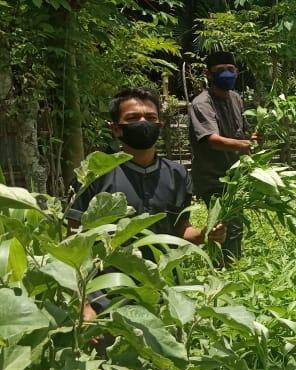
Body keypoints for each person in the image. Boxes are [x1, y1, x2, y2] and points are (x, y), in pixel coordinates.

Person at [69, 87, 225, 320]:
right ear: (116, 128)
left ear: (160, 125)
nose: (143, 123)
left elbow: (179, 229)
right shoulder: (94, 175)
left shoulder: (177, 174)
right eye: (133, 118)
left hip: (162, 291)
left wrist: (205, 234)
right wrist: (84, 304)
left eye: (151, 118)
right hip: (105, 296)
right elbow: (73, 243)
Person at [188, 51, 252, 261]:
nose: (227, 74)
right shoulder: (201, 103)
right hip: (212, 177)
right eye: (220, 70)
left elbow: (242, 132)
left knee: (234, 223)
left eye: (230, 69)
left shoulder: (236, 98)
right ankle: (224, 265)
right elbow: (212, 140)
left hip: (234, 175)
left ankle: (228, 263)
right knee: (226, 224)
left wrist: (252, 138)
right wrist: (244, 145)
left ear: (237, 72)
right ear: (208, 74)